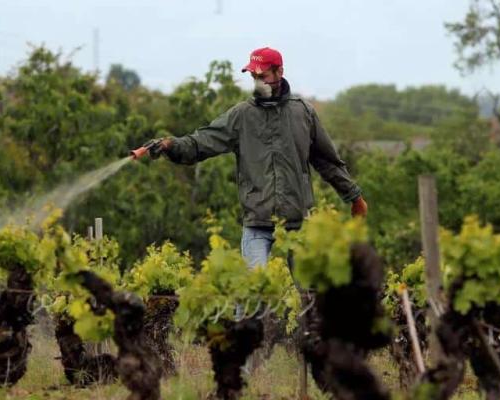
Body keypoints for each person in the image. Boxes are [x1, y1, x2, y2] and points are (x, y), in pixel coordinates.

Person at [144, 47, 367, 268]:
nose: (258, 82)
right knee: (254, 285)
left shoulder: (303, 113)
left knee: (310, 287)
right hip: (257, 221)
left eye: (263, 76)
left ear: (280, 72)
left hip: (298, 220)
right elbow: (201, 142)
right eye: (254, 77)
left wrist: (354, 197)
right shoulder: (241, 115)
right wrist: (170, 145)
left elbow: (328, 162)